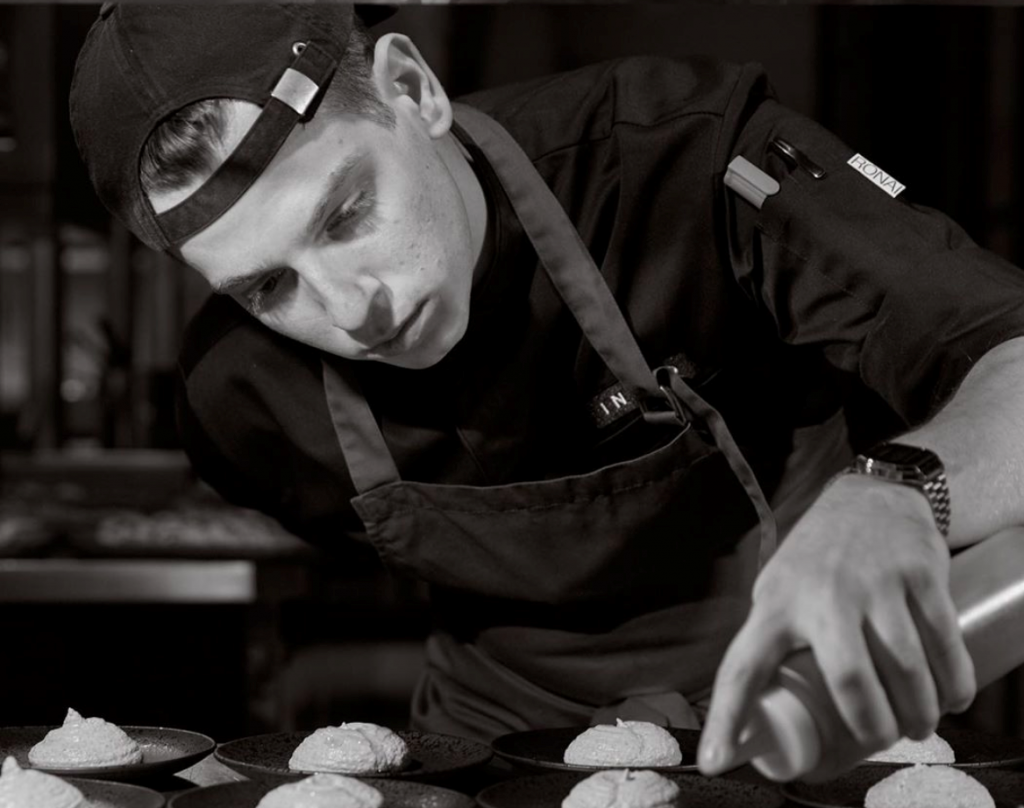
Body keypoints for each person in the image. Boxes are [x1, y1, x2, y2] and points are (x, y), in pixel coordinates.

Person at [69, 3, 1024, 781]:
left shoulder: (685, 163)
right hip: (496, 765)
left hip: (812, 718)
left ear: (413, 89)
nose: (352, 309)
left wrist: (901, 488)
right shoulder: (239, 406)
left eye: (348, 213)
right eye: (267, 288)